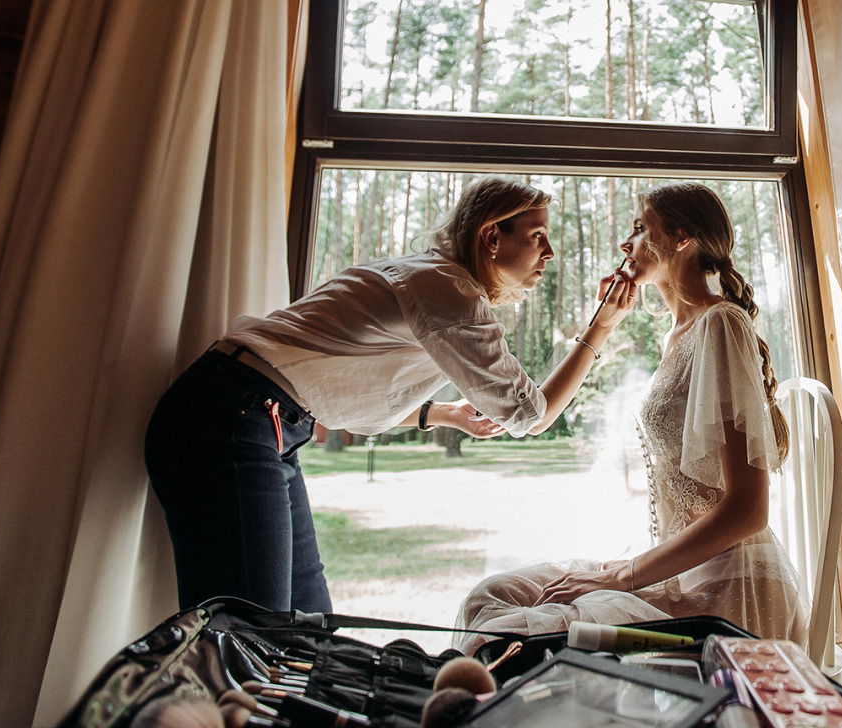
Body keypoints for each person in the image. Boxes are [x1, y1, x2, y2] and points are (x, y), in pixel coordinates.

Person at [144, 176, 636, 613]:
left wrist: (444, 414)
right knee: (252, 634)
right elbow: (530, 414)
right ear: (491, 236)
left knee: (307, 622)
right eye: (537, 236)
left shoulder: (434, 281)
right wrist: (601, 329)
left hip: (255, 417)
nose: (549, 252)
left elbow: (339, 392)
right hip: (231, 419)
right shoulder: (448, 289)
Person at [455, 182, 807, 649]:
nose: (627, 244)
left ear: (682, 239)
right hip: (676, 569)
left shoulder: (720, 324)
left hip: (728, 590)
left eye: (641, 229)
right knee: (491, 595)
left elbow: (749, 510)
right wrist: (602, 325)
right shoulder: (676, 336)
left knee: (502, 635)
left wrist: (623, 577)